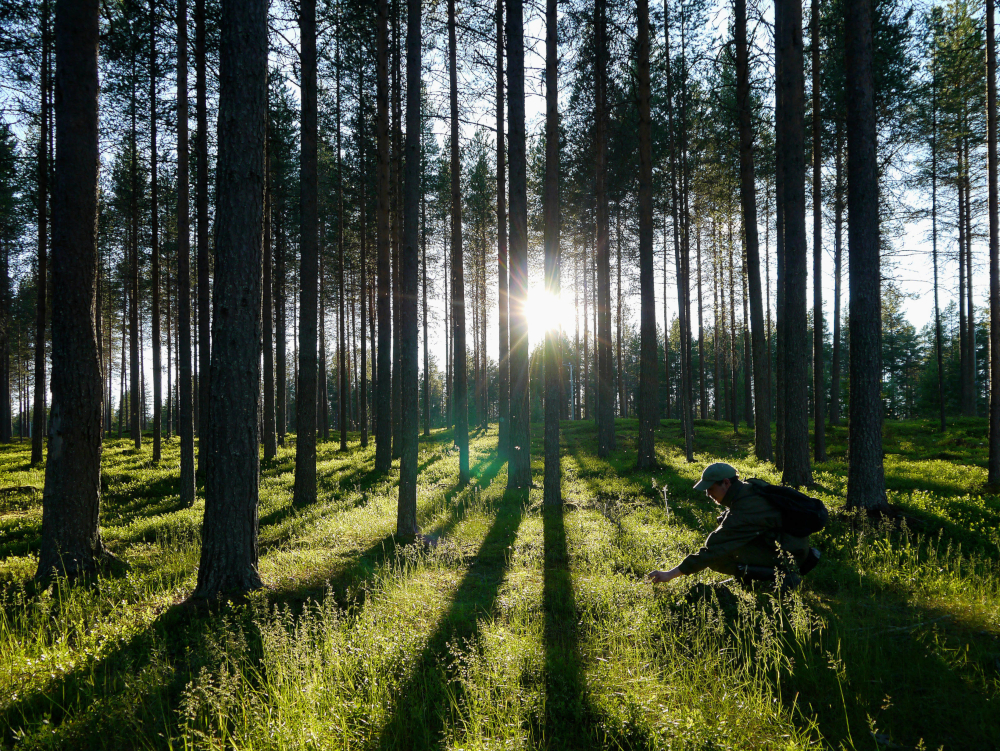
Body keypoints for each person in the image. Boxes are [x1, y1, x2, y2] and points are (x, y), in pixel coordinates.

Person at [646, 462, 821, 588]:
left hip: (791, 555)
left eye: (711, 489)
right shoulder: (748, 489)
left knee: (718, 557)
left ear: (726, 483)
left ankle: (785, 577)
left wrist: (671, 574)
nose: (708, 494)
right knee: (723, 528)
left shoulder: (746, 508)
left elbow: (714, 549)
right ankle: (748, 578)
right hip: (789, 546)